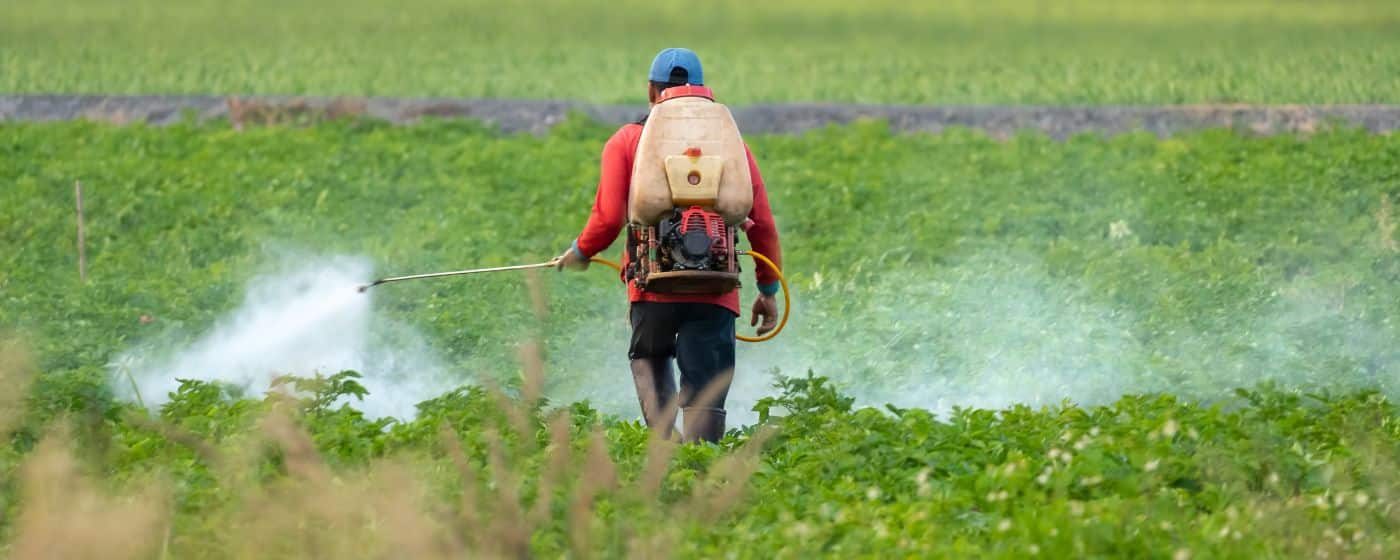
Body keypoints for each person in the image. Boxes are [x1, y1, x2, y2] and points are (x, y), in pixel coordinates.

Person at [555, 47, 783, 443]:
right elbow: (760, 223)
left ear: (651, 91)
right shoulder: (732, 148)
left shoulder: (627, 141)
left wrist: (580, 252)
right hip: (715, 288)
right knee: (706, 385)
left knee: (649, 356)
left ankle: (666, 450)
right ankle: (703, 467)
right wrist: (767, 291)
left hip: (651, 286)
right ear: (702, 93)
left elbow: (608, 218)